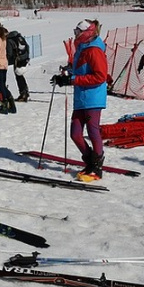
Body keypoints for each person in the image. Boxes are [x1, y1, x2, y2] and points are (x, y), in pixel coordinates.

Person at [53, 19, 108, 181]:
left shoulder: (94, 50)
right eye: (75, 31)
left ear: (86, 33)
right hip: (81, 97)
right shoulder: (81, 48)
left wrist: (73, 80)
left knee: (92, 131)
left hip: (93, 97)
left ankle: (97, 166)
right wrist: (64, 76)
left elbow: (100, 76)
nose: (75, 35)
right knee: (75, 133)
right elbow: (77, 70)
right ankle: (91, 160)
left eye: (78, 32)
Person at [6, 30, 31, 102]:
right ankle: (25, 92)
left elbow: (9, 53)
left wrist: (6, 61)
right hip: (24, 58)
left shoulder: (9, 40)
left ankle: (23, 93)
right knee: (20, 75)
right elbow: (27, 47)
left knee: (18, 76)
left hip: (17, 59)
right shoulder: (20, 37)